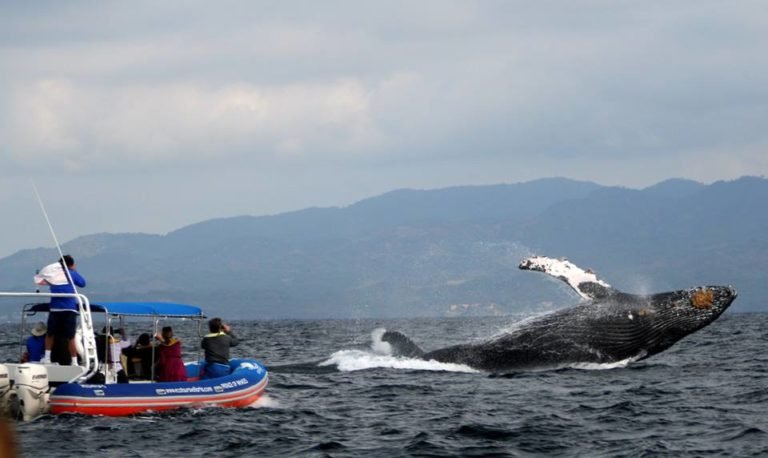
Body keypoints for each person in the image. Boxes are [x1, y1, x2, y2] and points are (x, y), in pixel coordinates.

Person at [34, 255, 86, 365]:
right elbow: (82, 283)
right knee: (70, 336)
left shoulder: (53, 274)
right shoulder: (71, 274)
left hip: (55, 309)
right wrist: (73, 271)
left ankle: (47, 358)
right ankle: (74, 361)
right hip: (69, 309)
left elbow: (42, 280)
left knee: (50, 334)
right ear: (71, 265)